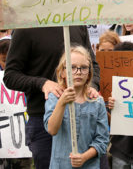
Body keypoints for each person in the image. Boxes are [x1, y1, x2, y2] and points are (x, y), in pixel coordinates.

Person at [4, 26, 100, 169]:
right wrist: (42, 83)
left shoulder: (77, 23)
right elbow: (10, 75)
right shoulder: (26, 28)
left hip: (83, 116)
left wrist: (92, 86)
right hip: (43, 121)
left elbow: (92, 64)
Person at [44, 45, 109, 169]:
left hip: (89, 165)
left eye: (84, 68)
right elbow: (52, 129)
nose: (78, 72)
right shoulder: (55, 98)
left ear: (89, 73)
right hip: (61, 165)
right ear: (62, 72)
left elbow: (102, 140)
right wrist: (62, 103)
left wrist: (84, 157)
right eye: (72, 67)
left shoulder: (97, 102)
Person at [108, 41, 133, 169]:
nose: (126, 68)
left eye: (130, 64)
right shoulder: (109, 87)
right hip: (120, 148)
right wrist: (110, 106)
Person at [0, 38, 32, 169]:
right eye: (3, 60)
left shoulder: (27, 77)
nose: (7, 65)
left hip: (23, 143)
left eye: (10, 60)